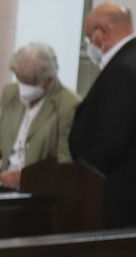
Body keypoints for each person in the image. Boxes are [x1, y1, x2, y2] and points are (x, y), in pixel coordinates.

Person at [0, 42, 79, 189]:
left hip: (39, 192)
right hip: (3, 183)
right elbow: (3, 136)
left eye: (30, 83)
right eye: (20, 80)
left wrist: (26, 178)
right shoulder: (10, 93)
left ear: (49, 80)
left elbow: (66, 164)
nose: (23, 88)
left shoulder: (69, 106)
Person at [70, 2, 136, 228]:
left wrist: (81, 176)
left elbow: (111, 141)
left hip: (115, 198)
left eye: (89, 37)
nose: (90, 45)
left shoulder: (124, 69)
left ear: (103, 33)